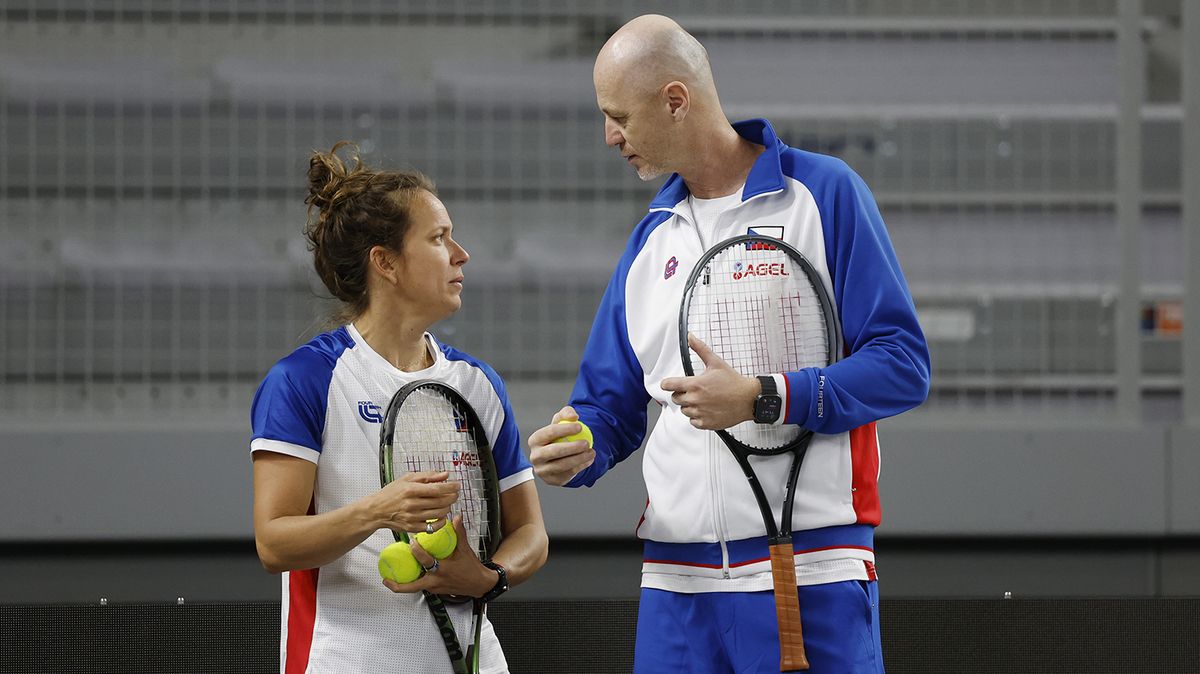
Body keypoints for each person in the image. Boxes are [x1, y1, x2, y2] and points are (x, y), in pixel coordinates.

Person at [528, 15, 930, 674]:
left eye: (619, 115)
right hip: (674, 587)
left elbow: (902, 365)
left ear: (676, 101)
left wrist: (763, 397)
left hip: (813, 570)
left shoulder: (823, 195)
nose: (610, 136)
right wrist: (581, 444)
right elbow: (608, 405)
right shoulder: (648, 241)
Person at [251, 142, 548, 674]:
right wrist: (378, 511)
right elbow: (274, 542)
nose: (462, 254)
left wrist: (488, 578)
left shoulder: (478, 384)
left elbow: (530, 534)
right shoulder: (305, 380)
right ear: (385, 262)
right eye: (438, 238)